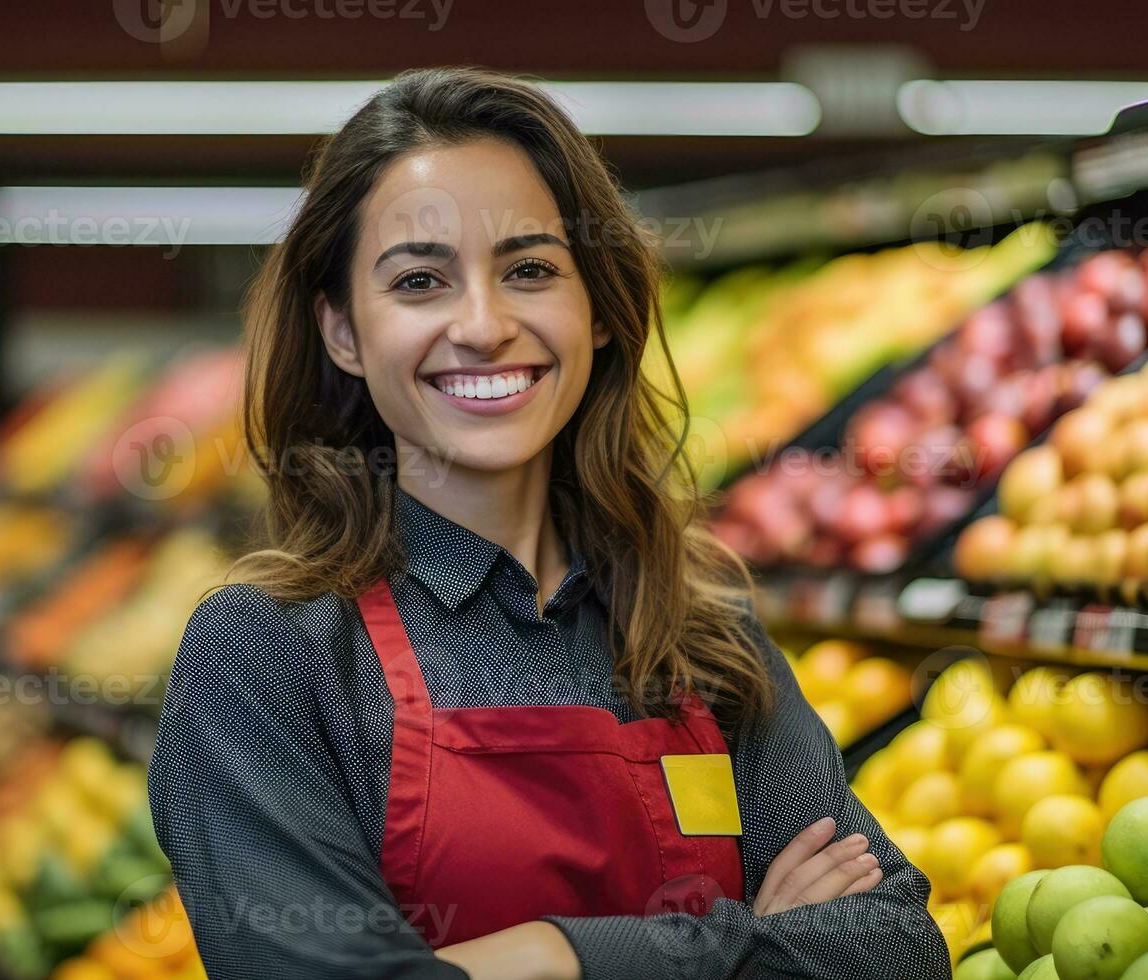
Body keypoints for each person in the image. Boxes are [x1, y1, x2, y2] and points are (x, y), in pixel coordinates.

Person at [147, 66, 950, 980]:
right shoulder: (269, 654)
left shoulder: (698, 631)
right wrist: (748, 943)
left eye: (530, 270)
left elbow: (896, 950)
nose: (484, 326)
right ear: (342, 331)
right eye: (419, 281)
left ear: (598, 309)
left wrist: (544, 956)